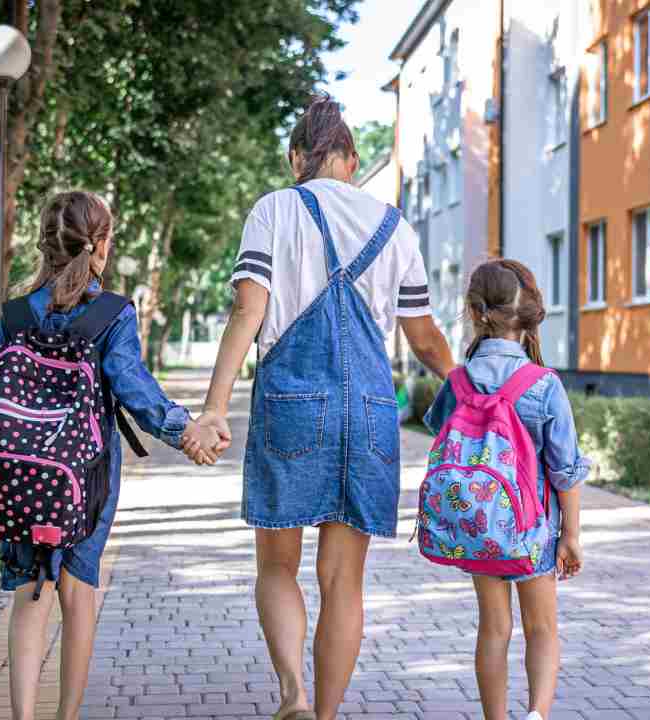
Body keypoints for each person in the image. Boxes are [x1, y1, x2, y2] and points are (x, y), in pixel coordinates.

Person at [182, 95, 455, 720]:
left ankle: (293, 696)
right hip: (370, 411)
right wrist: (470, 385)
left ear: (296, 157)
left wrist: (215, 407)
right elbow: (422, 336)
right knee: (343, 581)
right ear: (352, 160)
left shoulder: (275, 209)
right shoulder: (395, 223)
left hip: (291, 402)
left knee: (278, 566)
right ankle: (326, 714)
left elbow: (248, 311)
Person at [0, 191, 226, 720]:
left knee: (28, 593)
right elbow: (134, 390)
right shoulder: (111, 314)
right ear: (102, 244)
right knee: (77, 588)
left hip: (17, 477)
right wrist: (186, 432)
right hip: (85, 478)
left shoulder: (16, 314)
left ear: (45, 243)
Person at [422, 259, 591, 720]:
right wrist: (570, 535)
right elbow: (565, 470)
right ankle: (536, 715)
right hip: (533, 530)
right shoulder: (543, 385)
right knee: (542, 628)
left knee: (494, 628)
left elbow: (440, 430)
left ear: (475, 312)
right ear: (529, 314)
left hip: (480, 524)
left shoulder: (459, 381)